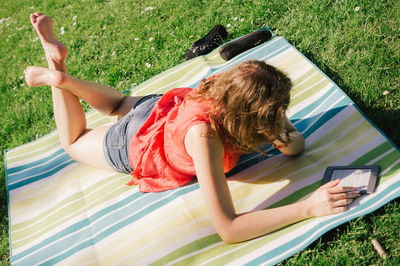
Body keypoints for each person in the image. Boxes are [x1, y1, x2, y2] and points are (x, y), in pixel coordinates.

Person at [24, 13, 359, 244]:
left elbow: (295, 146)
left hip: (157, 108)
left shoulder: (222, 85)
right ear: (251, 117)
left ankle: (64, 74)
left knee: (117, 105)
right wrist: (307, 207)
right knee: (73, 141)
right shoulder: (206, 138)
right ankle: (57, 71)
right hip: (137, 141)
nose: (283, 116)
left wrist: (276, 128)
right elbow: (228, 228)